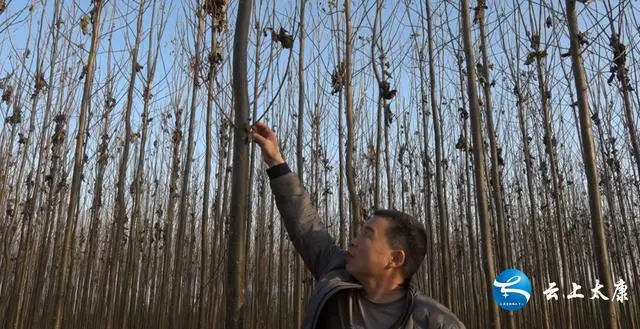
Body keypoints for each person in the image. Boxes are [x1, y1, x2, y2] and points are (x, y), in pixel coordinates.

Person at [251, 122, 466, 329]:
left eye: (368, 235)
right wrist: (276, 162)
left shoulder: (437, 322)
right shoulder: (336, 275)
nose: (354, 241)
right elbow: (306, 226)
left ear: (395, 258)